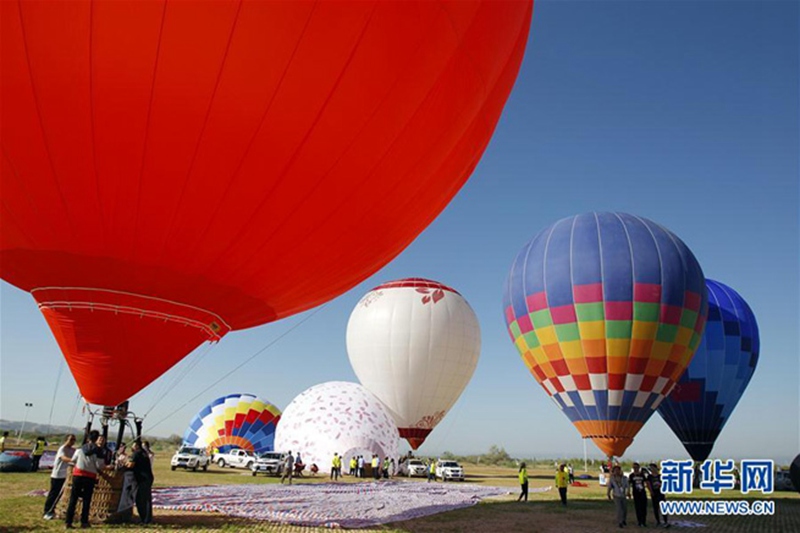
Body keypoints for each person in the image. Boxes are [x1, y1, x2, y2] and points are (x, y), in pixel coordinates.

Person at [65, 431, 111, 529]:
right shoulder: (99, 451)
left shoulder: (80, 449)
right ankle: (84, 522)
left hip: (78, 475)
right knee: (87, 500)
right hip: (90, 477)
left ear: (88, 438)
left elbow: (73, 460)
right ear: (96, 439)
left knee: (73, 499)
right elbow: (99, 466)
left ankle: (68, 522)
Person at [43, 434, 76, 520]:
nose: (72, 441)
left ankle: (54, 510)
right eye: (70, 439)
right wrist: (73, 461)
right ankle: (47, 511)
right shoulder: (62, 449)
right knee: (54, 493)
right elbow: (63, 458)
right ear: (66, 440)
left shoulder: (73, 450)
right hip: (57, 475)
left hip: (66, 475)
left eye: (74, 440)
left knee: (61, 494)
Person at [127, 440, 154, 525]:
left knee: (140, 499)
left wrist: (124, 464)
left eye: (133, 445)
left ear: (136, 446)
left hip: (142, 479)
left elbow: (130, 465)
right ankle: (147, 518)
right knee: (147, 499)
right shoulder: (144, 453)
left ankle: (144, 519)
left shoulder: (136, 453)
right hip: (148, 477)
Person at [647, 463, 670, 528]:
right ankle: (658, 521)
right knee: (656, 508)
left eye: (653, 468)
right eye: (651, 468)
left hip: (661, 493)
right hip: (654, 493)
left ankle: (665, 521)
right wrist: (651, 491)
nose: (652, 469)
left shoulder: (660, 476)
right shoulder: (649, 477)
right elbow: (648, 484)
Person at [628, 462, 649, 527]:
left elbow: (646, 482)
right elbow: (629, 484)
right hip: (636, 493)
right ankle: (639, 521)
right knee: (638, 507)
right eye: (634, 467)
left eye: (636, 467)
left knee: (644, 507)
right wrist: (628, 492)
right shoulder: (631, 475)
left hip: (642, 492)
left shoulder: (642, 475)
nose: (635, 469)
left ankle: (644, 521)